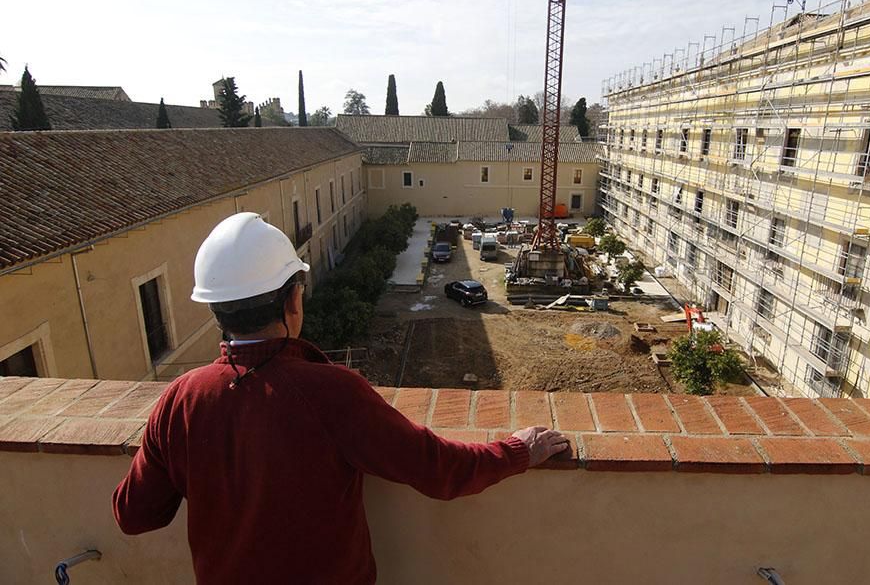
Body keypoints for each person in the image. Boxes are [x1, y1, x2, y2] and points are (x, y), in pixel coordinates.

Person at [113, 212, 569, 583]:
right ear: (294, 299)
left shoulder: (180, 400)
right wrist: (516, 452)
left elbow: (134, 515)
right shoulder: (331, 392)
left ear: (216, 309)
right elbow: (437, 470)